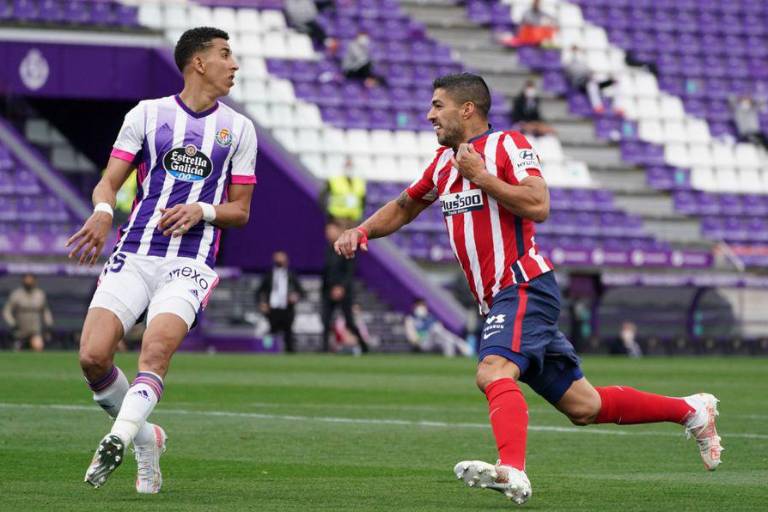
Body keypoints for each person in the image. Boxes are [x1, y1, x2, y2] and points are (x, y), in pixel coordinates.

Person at [334, 72, 722, 505]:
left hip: (523, 284)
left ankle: (513, 471)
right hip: (501, 298)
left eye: (437, 105)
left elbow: (538, 205)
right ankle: (691, 409)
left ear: (467, 109)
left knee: (493, 371)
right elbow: (405, 205)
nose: (429, 115)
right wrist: (362, 230)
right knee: (584, 406)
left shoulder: (508, 146)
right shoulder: (444, 164)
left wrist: (482, 177)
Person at [66, 27, 257, 492]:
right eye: (225, 55)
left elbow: (241, 211)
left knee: (155, 350)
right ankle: (145, 437)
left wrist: (202, 210)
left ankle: (116, 437)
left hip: (189, 262)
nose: (234, 65)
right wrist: (103, 212)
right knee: (93, 357)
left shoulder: (240, 129)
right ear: (198, 62)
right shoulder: (148, 115)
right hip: (134, 252)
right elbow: (109, 182)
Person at [321, 220, 368, 353]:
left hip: (344, 291)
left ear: (338, 231)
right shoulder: (328, 249)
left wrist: (341, 287)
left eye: (330, 230)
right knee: (325, 320)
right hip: (328, 291)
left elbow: (349, 270)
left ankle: (364, 346)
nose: (328, 233)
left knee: (349, 322)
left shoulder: (346, 246)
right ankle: (324, 350)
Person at [256, 250, 305, 353]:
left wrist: (295, 296)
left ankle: (290, 355)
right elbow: (259, 292)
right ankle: (267, 351)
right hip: (272, 309)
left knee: (288, 334)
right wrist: (262, 303)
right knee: (270, 332)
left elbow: (301, 292)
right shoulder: (269, 275)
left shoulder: (291, 275)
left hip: (287, 309)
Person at [2, 273, 53, 352]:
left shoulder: (40, 294)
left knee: (38, 346)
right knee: (17, 351)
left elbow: (45, 311)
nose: (28, 281)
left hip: (35, 330)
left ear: (35, 281)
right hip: (20, 331)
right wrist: (12, 323)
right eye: (26, 279)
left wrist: (49, 324)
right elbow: (6, 311)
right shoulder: (16, 295)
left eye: (30, 279)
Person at [404, 298, 472, 357]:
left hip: (433, 341)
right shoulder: (410, 319)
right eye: (419, 305)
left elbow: (441, 330)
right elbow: (411, 335)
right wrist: (416, 341)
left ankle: (450, 359)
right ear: (414, 306)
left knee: (446, 339)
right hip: (421, 342)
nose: (422, 307)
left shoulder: (430, 317)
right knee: (436, 329)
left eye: (423, 305)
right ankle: (462, 345)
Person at [564, 45, 615, 113]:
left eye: (577, 50)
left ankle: (615, 106)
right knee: (592, 85)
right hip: (580, 83)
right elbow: (571, 74)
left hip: (590, 80)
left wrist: (590, 75)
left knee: (613, 82)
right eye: (574, 50)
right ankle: (597, 107)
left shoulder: (584, 62)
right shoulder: (568, 62)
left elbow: (589, 72)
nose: (576, 52)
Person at [321, 156, 366, 229]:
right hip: (338, 218)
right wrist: (328, 213)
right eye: (347, 165)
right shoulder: (334, 181)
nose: (349, 168)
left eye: (350, 166)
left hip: (353, 219)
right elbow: (322, 198)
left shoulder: (359, 182)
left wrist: (360, 214)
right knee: (338, 238)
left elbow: (363, 200)